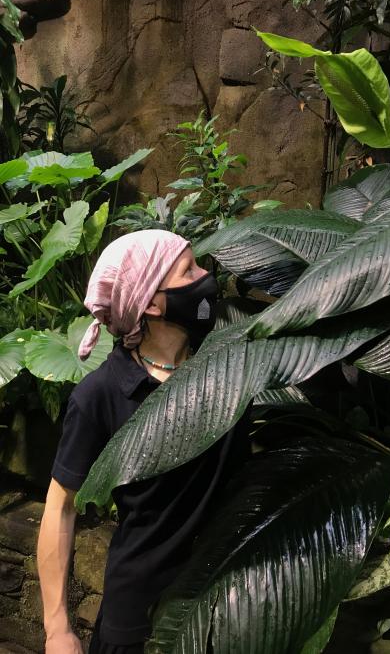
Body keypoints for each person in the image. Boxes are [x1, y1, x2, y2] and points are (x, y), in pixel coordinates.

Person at [37, 230, 251, 653]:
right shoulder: (100, 395)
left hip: (227, 611)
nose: (205, 276)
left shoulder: (228, 363)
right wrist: (57, 629)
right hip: (140, 623)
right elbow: (59, 508)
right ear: (152, 303)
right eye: (188, 270)